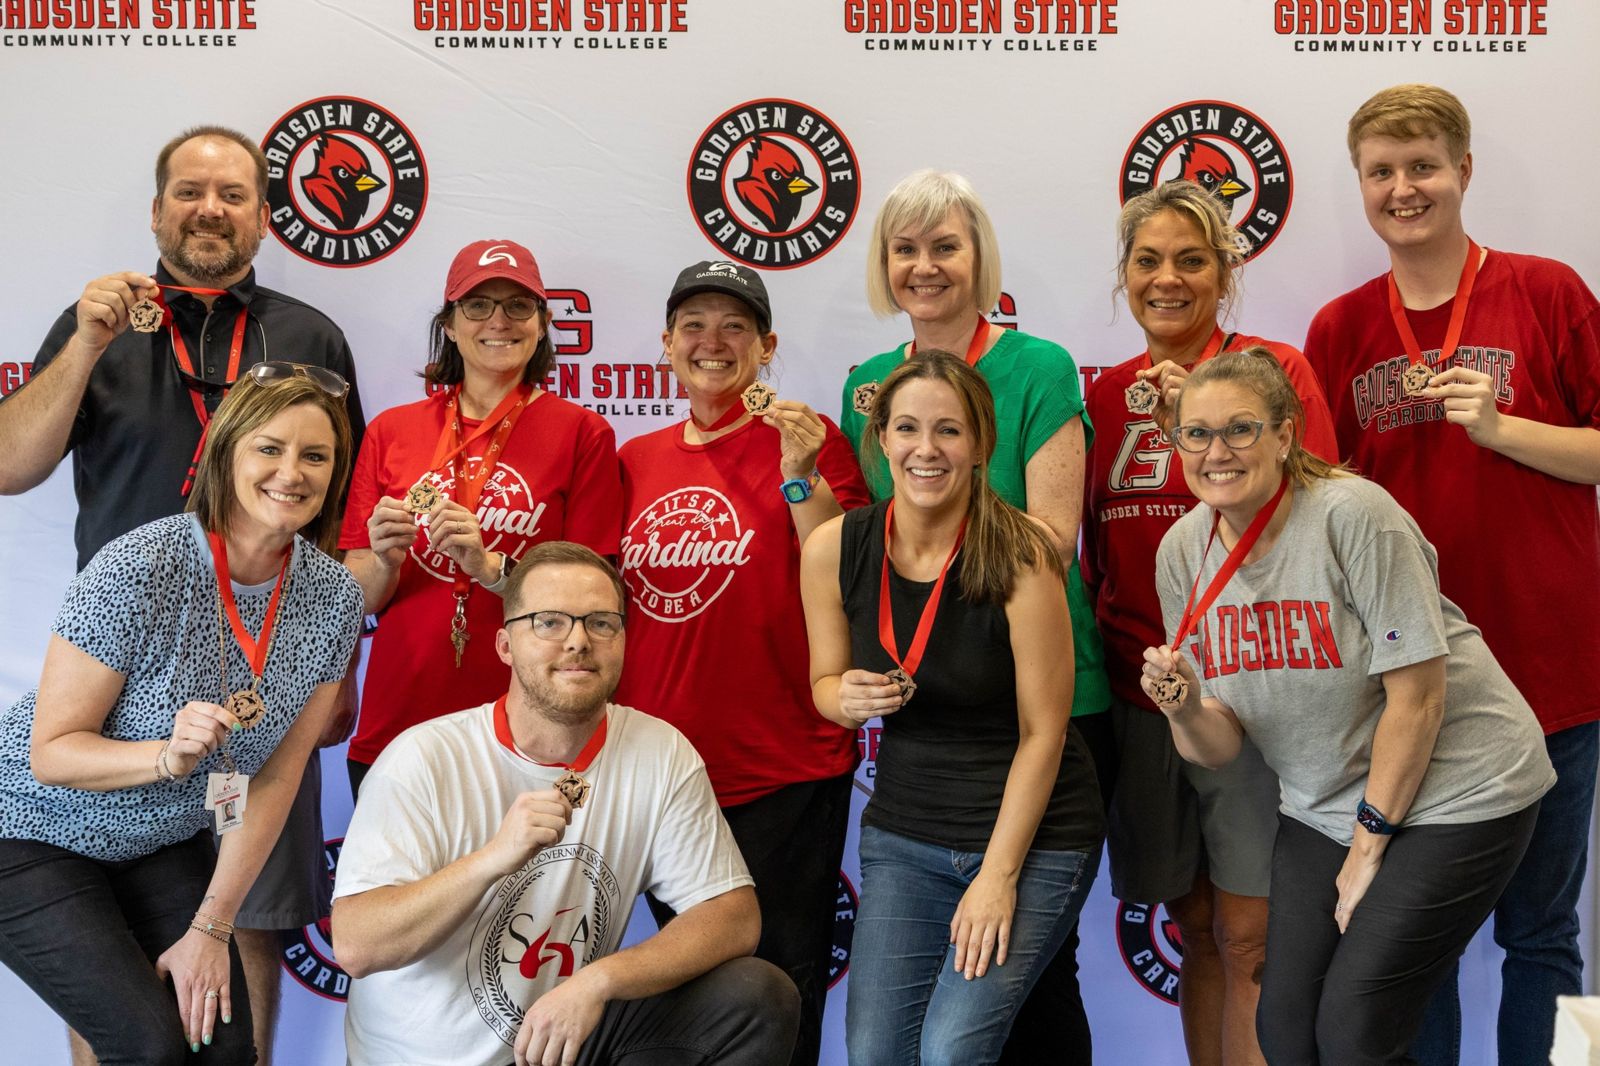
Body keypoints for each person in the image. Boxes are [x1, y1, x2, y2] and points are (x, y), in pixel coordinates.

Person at [0, 124, 365, 1065]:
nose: (290, 472)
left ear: (265, 216)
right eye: (190, 192)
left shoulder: (324, 593)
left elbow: (274, 777)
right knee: (147, 1040)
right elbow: (9, 464)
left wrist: (208, 925)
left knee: (224, 1031)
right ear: (157, 210)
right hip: (48, 814)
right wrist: (86, 344)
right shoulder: (138, 558)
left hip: (178, 813)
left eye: (233, 193)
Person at [1142, 348, 1554, 1064]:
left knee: (1355, 1028)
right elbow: (1221, 742)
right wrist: (1182, 708)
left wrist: (1370, 845)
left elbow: (1419, 698)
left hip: (1461, 789)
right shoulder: (1183, 551)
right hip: (1324, 801)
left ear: (1284, 434)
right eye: (1196, 434)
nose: (1217, 452)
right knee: (1285, 1030)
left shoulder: (1353, 515)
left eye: (1240, 429)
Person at [1302, 83, 1600, 1065]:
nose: (1404, 188)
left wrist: (1503, 429)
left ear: (1463, 171)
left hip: (1550, 669)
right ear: (1360, 184)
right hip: (1410, 691)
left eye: (1423, 165)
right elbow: (1315, 506)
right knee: (1411, 946)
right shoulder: (1339, 329)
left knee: (1542, 933)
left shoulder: (1547, 291)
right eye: (1381, 171)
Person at [331, 541, 800, 1066]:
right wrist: (492, 860)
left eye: (601, 623)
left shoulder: (660, 751)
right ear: (505, 645)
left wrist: (599, 981)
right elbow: (357, 946)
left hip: (560, 1044)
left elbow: (732, 917)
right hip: (422, 1059)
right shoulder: (424, 758)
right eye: (549, 622)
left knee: (754, 996)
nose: (578, 641)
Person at [837, 169, 1110, 1060]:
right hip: (934, 720)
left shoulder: (1039, 367)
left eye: (945, 247)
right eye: (906, 249)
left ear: (979, 257)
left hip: (1045, 704)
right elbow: (870, 547)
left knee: (1034, 982)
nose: (925, 266)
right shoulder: (867, 386)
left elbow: (1051, 539)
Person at [1080, 178, 1338, 1066]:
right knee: (1195, 925)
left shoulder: (1276, 372)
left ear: (1225, 274)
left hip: (1253, 700)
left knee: (1252, 933)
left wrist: (1210, 414)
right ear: (1124, 276)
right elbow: (1093, 552)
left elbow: (1323, 518)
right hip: (1145, 697)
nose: (1168, 279)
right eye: (1148, 261)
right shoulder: (1105, 395)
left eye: (1191, 261)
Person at [614, 260, 868, 1066]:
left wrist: (800, 477)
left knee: (781, 984)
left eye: (735, 326)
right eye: (693, 325)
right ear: (666, 344)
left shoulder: (812, 441)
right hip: (666, 774)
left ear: (767, 347)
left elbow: (845, 569)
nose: (712, 342)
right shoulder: (634, 457)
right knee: (692, 990)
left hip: (784, 766)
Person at [340, 238, 621, 797]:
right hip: (402, 717)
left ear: (542, 323)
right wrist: (385, 560)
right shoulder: (391, 431)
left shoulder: (583, 433)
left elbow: (595, 599)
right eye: (478, 305)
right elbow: (360, 597)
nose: (499, 320)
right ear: (449, 324)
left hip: (531, 726)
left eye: (518, 306)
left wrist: (490, 567)